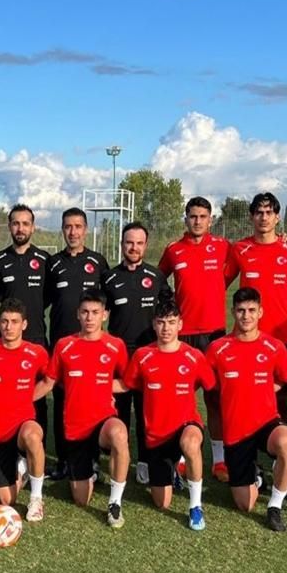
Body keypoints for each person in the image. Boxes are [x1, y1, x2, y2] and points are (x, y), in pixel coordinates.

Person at [34, 290, 131, 528]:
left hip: (104, 421)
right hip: (76, 427)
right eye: (85, 312)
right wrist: (19, 402)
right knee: (81, 499)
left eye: (95, 312)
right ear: (77, 314)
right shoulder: (64, 345)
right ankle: (92, 470)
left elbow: (127, 382)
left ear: (105, 315)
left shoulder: (115, 345)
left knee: (119, 433)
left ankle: (115, 503)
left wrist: (102, 386)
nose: (90, 317)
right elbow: (48, 382)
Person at [205, 287, 287, 532]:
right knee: (245, 504)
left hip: (266, 423)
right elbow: (205, 382)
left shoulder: (274, 346)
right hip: (236, 432)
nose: (246, 316)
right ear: (233, 312)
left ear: (260, 312)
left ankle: (275, 506)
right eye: (241, 311)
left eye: (251, 310)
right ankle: (255, 475)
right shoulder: (217, 348)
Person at [122, 297, 213, 530]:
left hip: (186, 425)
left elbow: (210, 385)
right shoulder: (142, 355)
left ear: (180, 324)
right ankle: (172, 470)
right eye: (161, 322)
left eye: (171, 322)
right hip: (157, 436)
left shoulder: (194, 356)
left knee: (190, 443)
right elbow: (127, 384)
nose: (166, 328)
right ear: (154, 324)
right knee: (161, 502)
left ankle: (195, 506)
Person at [159, 197, 233, 481]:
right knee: (181, 397)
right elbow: (158, 280)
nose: (198, 221)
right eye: (193, 216)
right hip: (184, 335)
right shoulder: (174, 250)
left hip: (214, 336)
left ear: (210, 220)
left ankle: (220, 460)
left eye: (203, 216)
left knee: (214, 398)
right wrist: (169, 304)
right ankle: (181, 457)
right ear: (186, 219)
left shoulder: (223, 247)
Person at [43, 208, 110, 480]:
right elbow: (43, 299)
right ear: (63, 230)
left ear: (85, 229)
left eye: (78, 226)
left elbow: (106, 302)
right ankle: (63, 461)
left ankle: (92, 460)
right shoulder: (53, 263)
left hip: (92, 346)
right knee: (62, 403)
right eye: (68, 227)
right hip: (63, 345)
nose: (73, 232)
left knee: (91, 405)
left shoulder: (98, 262)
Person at [225, 192, 287, 427]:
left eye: (269, 212)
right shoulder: (240, 248)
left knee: (279, 398)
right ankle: (245, 446)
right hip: (246, 337)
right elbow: (220, 283)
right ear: (251, 217)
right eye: (259, 212)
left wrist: (286, 301)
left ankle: (282, 446)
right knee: (245, 396)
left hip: (280, 336)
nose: (264, 217)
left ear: (277, 217)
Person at [0, 299, 49, 520]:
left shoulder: (36, 352)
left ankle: (36, 499)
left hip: (23, 427)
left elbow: (50, 379)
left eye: (14, 321)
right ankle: (22, 469)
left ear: (24, 324)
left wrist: (27, 397)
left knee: (33, 435)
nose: (9, 326)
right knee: (6, 500)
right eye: (4, 321)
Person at [0, 204, 51, 471]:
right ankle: (4, 450)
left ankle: (34, 453)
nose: (20, 228)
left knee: (38, 399)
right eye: (16, 223)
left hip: (36, 338)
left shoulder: (45, 260)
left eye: (25, 223)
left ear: (33, 227)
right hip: (6, 339)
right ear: (9, 226)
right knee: (2, 395)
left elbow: (49, 296)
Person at [103, 221, 162, 485]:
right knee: (119, 411)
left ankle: (145, 461)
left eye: (139, 243)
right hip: (119, 356)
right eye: (129, 242)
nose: (134, 247)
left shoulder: (156, 277)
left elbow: (169, 313)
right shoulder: (109, 278)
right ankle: (120, 458)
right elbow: (99, 313)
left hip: (149, 355)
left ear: (145, 246)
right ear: (122, 244)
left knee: (147, 411)